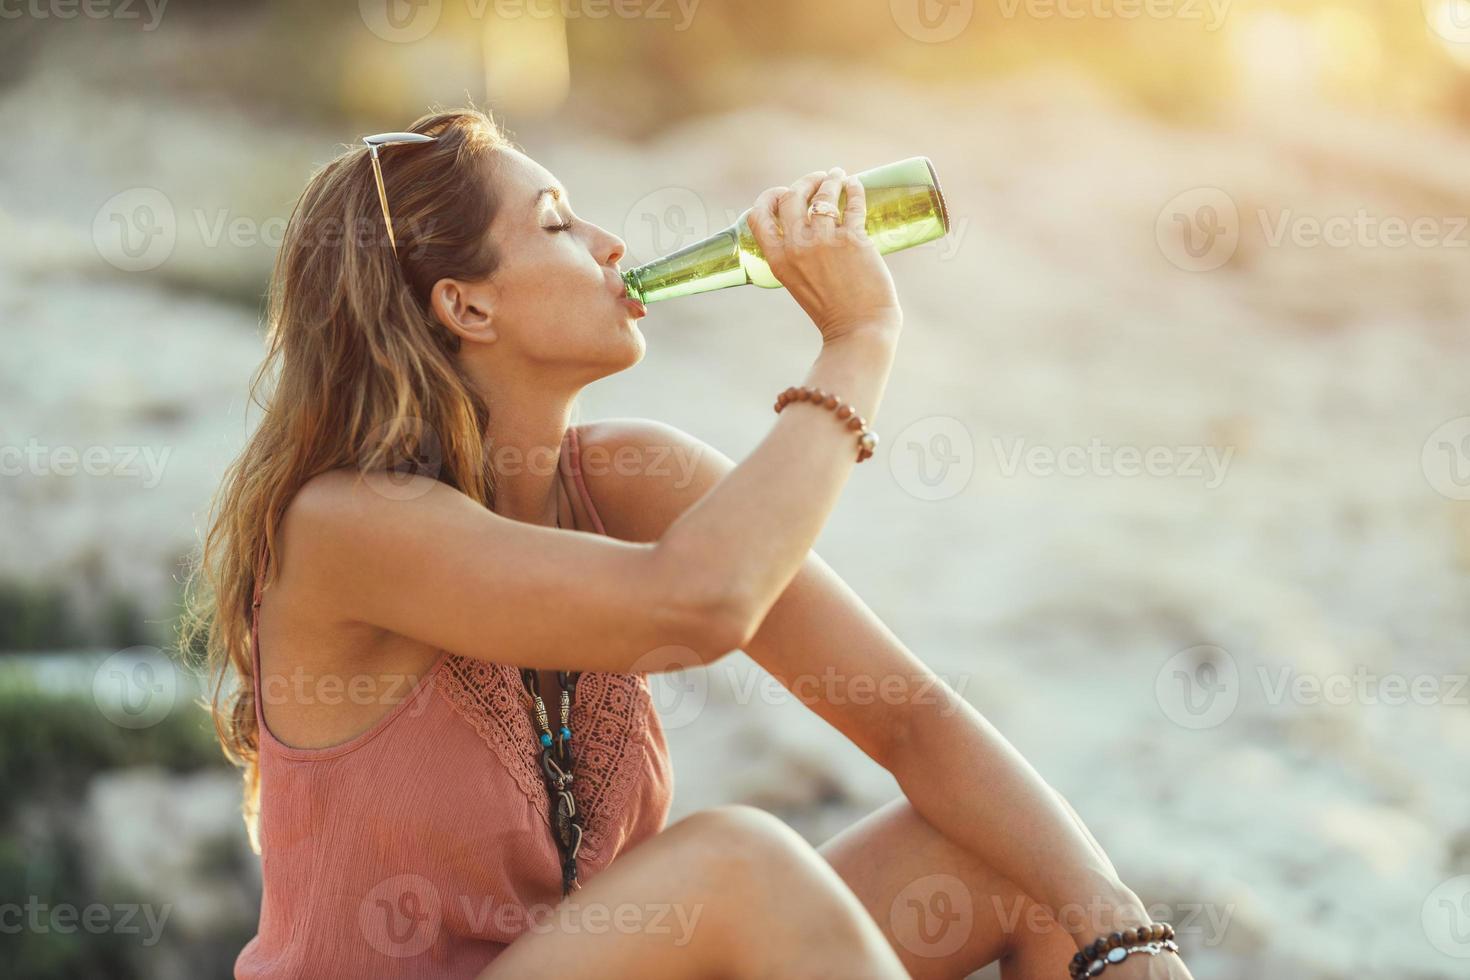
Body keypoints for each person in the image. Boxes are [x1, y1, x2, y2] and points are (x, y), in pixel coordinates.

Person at [184, 107, 1194, 980]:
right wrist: (858, 339)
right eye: (559, 224)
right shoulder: (350, 525)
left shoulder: (630, 479)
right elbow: (701, 601)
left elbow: (913, 719)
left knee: (1011, 855)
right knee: (734, 863)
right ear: (467, 302)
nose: (613, 241)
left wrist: (1121, 925)